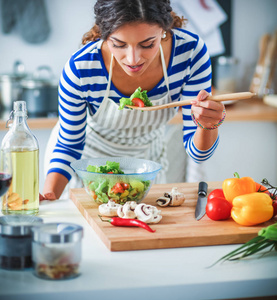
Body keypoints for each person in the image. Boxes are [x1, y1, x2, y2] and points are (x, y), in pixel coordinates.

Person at [40, 0, 225, 201]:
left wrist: (208, 125)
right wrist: (50, 195)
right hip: (89, 166)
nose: (133, 59)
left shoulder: (190, 53)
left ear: (164, 30)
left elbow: (198, 155)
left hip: (145, 164)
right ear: (104, 34)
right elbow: (69, 146)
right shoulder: (81, 69)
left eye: (148, 44)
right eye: (118, 44)